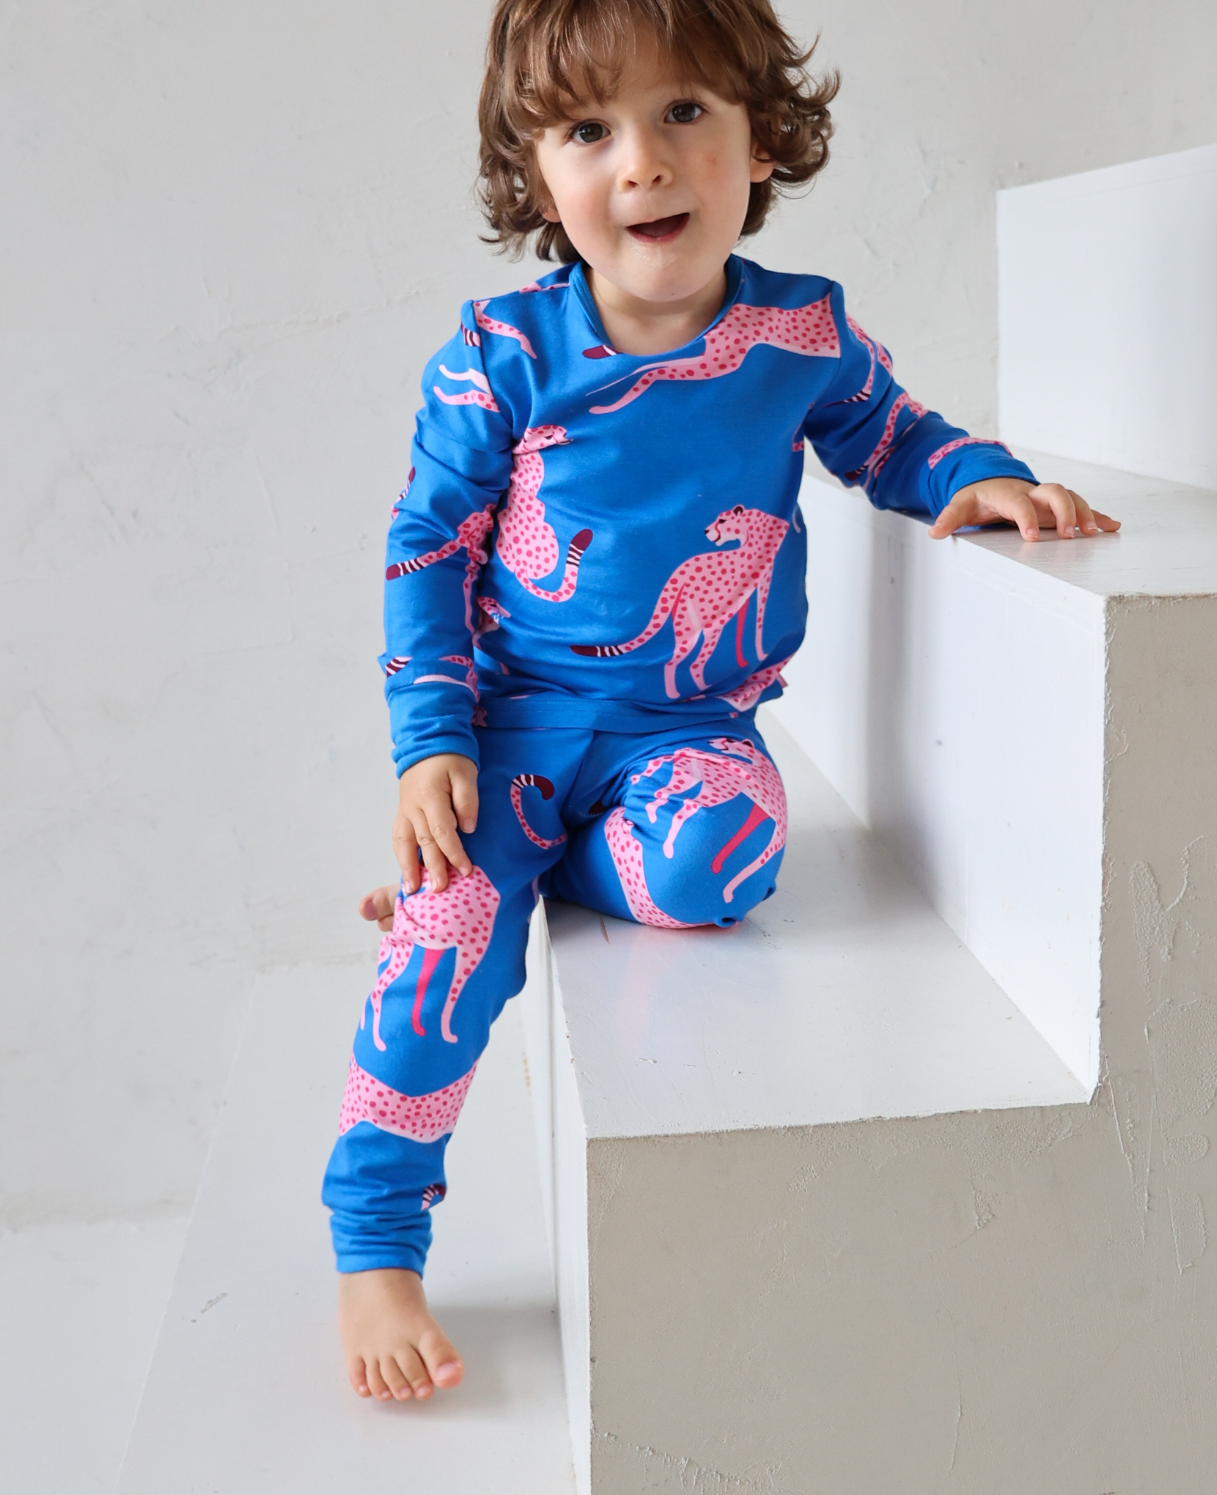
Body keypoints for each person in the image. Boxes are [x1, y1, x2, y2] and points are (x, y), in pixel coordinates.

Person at [324, 0, 1120, 1405]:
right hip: (509, 727)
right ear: (539, 176)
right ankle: (376, 1239)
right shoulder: (502, 354)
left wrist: (978, 475)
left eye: (683, 112)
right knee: (447, 947)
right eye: (590, 130)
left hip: (688, 734)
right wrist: (429, 742)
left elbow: (894, 437)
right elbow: (426, 546)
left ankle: (547, 863)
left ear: (762, 141)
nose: (642, 161)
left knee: (726, 867)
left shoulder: (800, 335)